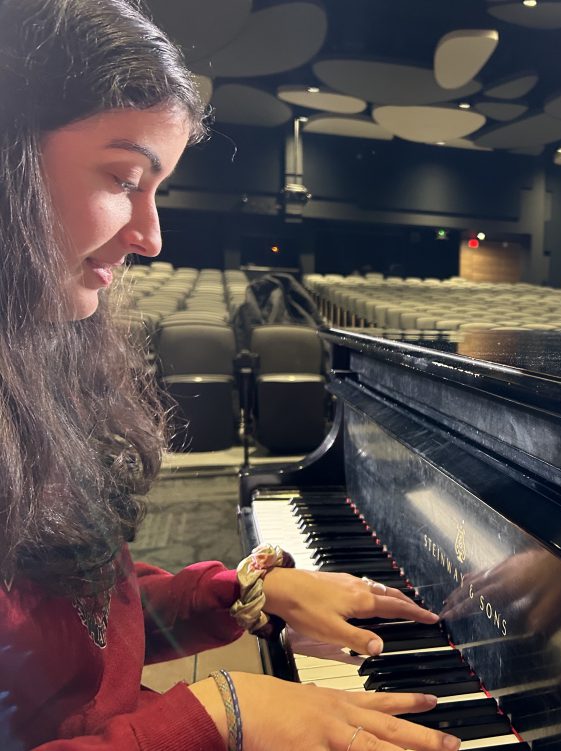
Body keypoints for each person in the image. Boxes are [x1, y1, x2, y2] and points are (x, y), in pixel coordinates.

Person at [0, 1, 461, 749]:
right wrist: (217, 713)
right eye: (123, 177)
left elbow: (72, 622)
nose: (150, 236)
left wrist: (244, 591)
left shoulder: (35, 358)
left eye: (158, 190)